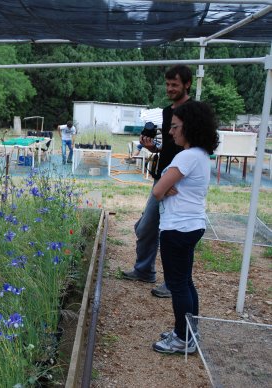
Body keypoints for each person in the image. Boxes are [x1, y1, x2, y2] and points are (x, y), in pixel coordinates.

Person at [151, 101, 219, 354]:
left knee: (177, 284)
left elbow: (157, 191)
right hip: (192, 224)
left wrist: (164, 189)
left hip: (177, 228)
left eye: (175, 127)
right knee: (185, 281)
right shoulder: (201, 155)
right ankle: (190, 331)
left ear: (189, 127)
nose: (170, 132)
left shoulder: (187, 156)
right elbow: (164, 189)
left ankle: (183, 339)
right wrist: (166, 189)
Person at [122, 65, 193, 298]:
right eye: (168, 84)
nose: (170, 88)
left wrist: (179, 179)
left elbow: (197, 147)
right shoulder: (165, 112)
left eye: (175, 84)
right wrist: (154, 147)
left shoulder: (194, 111)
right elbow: (170, 146)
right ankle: (144, 270)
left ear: (187, 84)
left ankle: (173, 283)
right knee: (146, 226)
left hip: (180, 182)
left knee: (174, 235)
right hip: (162, 177)